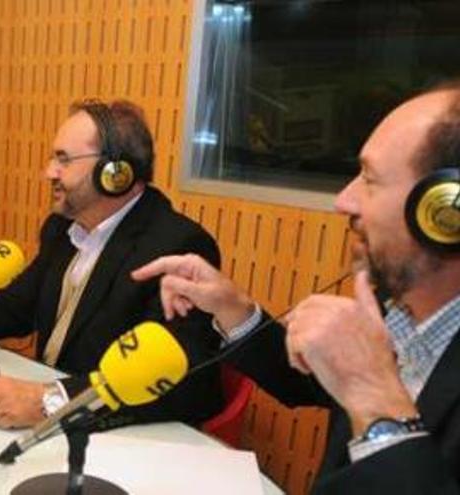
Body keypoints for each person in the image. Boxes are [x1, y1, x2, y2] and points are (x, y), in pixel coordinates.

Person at [132, 82, 460, 492]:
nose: (343, 200)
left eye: (370, 180)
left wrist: (375, 399)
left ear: (446, 210)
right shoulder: (393, 304)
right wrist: (234, 308)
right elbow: (305, 381)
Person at [0, 99, 223, 431]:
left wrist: (50, 400)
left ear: (116, 173)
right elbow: (17, 306)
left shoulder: (178, 248)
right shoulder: (63, 228)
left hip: (125, 438)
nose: (49, 171)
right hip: (50, 428)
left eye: (63, 160)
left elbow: (183, 385)